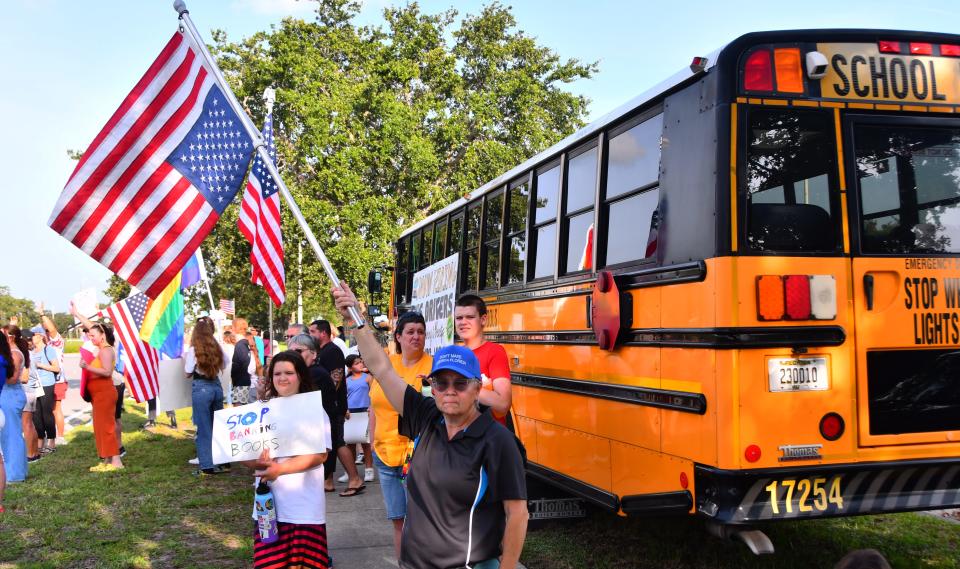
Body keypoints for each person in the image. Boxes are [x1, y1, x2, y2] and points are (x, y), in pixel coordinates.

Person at [334, 284, 529, 569]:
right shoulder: (426, 416)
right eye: (441, 382)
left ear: (477, 389)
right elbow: (383, 368)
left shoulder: (497, 441)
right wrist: (355, 320)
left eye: (460, 383)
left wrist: (508, 566)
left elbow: (517, 514)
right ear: (432, 387)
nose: (450, 390)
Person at [241, 350, 331, 569]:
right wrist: (257, 462)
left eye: (289, 373)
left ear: (300, 375)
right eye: (277, 373)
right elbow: (244, 455)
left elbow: (320, 455)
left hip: (304, 509)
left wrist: (279, 469)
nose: (282, 378)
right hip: (268, 509)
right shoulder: (261, 412)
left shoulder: (315, 411)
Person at [368, 310, 432, 557]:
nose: (416, 337)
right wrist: (371, 440)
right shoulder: (387, 365)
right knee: (398, 522)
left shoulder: (433, 365)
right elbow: (374, 404)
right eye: (410, 332)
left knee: (422, 523)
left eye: (421, 332)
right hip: (384, 456)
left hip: (417, 458)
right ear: (398, 336)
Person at [287, 334, 364, 495]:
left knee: (336, 445)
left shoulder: (313, 372)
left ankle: (354, 479)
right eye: (290, 351)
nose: (293, 355)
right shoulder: (309, 371)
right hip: (327, 419)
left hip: (329, 419)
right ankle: (345, 480)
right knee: (337, 445)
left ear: (313, 353)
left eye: (299, 351)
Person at [455, 295, 513, 429]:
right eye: (459, 318)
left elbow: (503, 404)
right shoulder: (454, 355)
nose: (463, 322)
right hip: (459, 441)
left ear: (483, 319)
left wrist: (459, 385)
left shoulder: (495, 352)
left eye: (470, 317)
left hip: (487, 442)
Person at [185, 316, 230, 475]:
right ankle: (224, 461)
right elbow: (226, 363)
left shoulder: (193, 350)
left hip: (201, 387)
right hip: (216, 386)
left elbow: (187, 372)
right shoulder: (217, 347)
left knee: (204, 428)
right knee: (218, 426)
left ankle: (207, 465)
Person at [79, 323, 123, 471]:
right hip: (98, 394)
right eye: (89, 335)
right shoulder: (101, 350)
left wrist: (87, 366)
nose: (90, 338)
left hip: (105, 393)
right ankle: (108, 459)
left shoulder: (106, 350)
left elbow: (106, 372)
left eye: (93, 335)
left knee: (107, 426)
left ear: (102, 335)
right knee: (101, 426)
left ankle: (116, 461)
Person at [0, 329, 26, 484]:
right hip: (6, 395)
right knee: (6, 436)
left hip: (11, 395)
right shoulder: (8, 354)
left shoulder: (15, 354)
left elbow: (13, 379)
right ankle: (12, 470)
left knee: (12, 435)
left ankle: (15, 474)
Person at [343, 354, 374, 482]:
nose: (360, 364)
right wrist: (345, 409)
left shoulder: (368, 378)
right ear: (350, 367)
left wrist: (371, 407)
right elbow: (343, 396)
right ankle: (350, 472)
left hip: (364, 411)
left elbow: (373, 394)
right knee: (349, 444)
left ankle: (369, 470)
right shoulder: (346, 380)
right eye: (356, 363)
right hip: (350, 414)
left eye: (361, 362)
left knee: (365, 443)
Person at [29, 330, 59, 456]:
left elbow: (56, 368)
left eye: (34, 335)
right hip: (34, 385)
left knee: (47, 414)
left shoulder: (49, 350)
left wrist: (40, 365)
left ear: (41, 336)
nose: (31, 338)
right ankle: (41, 440)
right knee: (36, 415)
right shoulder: (31, 352)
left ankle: (51, 441)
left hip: (47, 384)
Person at [40, 311, 68, 445]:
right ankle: (46, 437)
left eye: (44, 330)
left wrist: (42, 314)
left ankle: (60, 437)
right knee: (44, 410)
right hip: (43, 382)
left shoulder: (56, 342)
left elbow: (51, 329)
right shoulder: (41, 347)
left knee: (56, 409)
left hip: (57, 381)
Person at [231, 318, 253, 405]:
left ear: (234, 328)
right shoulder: (245, 343)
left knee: (239, 410)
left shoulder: (240, 344)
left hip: (241, 383)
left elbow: (246, 362)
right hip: (244, 382)